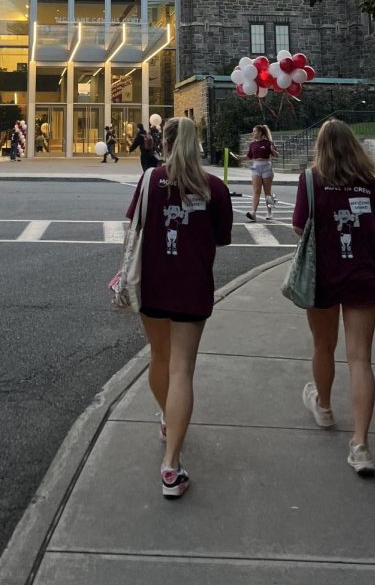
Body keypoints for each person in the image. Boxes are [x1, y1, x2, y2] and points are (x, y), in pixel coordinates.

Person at [125, 116, 233, 498]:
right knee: (183, 369)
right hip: (192, 286)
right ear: (196, 143)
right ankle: (171, 466)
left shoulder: (151, 180)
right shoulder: (213, 187)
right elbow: (223, 239)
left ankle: (167, 420)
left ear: (163, 143)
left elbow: (133, 225)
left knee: (159, 356)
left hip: (152, 283)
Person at [292, 119, 375, 477]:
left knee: (323, 346)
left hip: (322, 277)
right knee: (360, 359)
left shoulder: (312, 181)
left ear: (321, 148)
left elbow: (299, 225)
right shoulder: (372, 186)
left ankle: (323, 407)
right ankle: (360, 445)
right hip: (362, 277)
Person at [241, 124, 278, 221]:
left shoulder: (268, 143)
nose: (253, 133)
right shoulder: (252, 144)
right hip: (255, 166)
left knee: (267, 192)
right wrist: (239, 157)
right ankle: (253, 213)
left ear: (260, 133)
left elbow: (277, 155)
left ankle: (269, 212)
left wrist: (273, 151)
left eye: (254, 131)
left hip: (266, 166)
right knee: (256, 191)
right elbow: (249, 156)